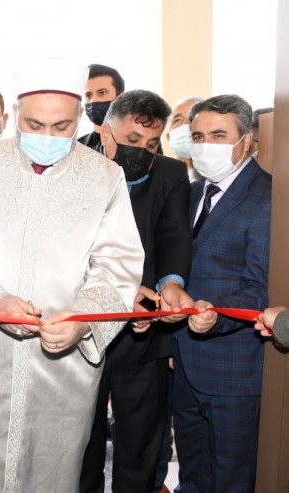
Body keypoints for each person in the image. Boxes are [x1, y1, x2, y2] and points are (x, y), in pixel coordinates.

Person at [0, 57, 144, 492]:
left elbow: (117, 264)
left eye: (61, 127)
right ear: (15, 114)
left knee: (52, 476)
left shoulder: (105, 176)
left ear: (79, 120)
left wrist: (81, 320)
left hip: (64, 365)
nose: (48, 137)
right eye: (35, 124)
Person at [80, 90, 193, 493]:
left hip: (144, 331)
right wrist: (114, 290)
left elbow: (174, 233)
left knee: (141, 442)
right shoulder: (70, 164)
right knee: (82, 440)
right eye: (132, 141)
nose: (142, 151)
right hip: (82, 329)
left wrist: (173, 283)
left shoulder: (169, 173)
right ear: (106, 131)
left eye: (150, 143)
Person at [179, 94, 271, 493]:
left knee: (231, 476)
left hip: (234, 367)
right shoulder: (192, 193)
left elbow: (259, 286)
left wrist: (216, 316)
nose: (206, 145)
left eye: (219, 135)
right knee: (192, 472)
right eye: (198, 136)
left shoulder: (268, 197)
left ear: (247, 139)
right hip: (183, 360)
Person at [79, 64, 125, 149]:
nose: (93, 100)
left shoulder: (140, 143)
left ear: (120, 97)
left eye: (102, 92)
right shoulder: (76, 148)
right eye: (88, 95)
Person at [166, 96, 204, 182]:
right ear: (169, 137)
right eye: (178, 120)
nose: (186, 125)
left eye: (193, 118)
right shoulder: (157, 178)